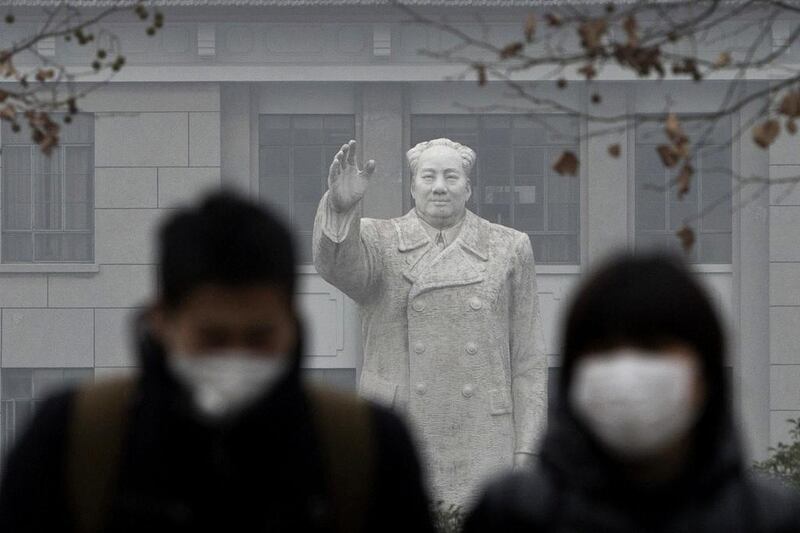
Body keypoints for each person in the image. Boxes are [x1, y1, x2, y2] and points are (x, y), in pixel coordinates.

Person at [0, 191, 435, 533]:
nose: (236, 355)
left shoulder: (366, 447)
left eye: (259, 336)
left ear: (293, 323)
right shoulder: (74, 438)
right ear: (161, 321)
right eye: (212, 337)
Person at [464, 252, 800, 532]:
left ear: (705, 375)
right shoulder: (510, 515)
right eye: (605, 350)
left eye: (653, 348)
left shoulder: (771, 520)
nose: (627, 370)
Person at [312, 138, 547, 506]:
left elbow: (528, 361)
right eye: (429, 176)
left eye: (451, 177)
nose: (439, 186)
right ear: (412, 186)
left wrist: (528, 450)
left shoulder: (509, 247)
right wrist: (341, 207)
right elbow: (336, 268)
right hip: (397, 431)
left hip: (482, 434)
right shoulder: (377, 239)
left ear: (468, 188)